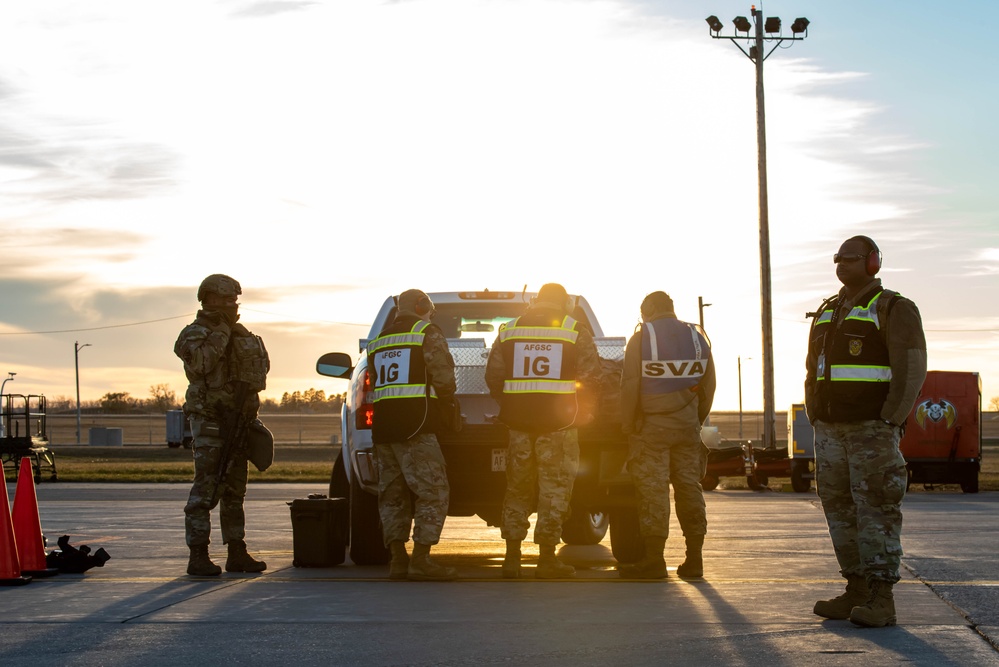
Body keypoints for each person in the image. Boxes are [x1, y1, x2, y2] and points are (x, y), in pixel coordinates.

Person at [805, 236, 927, 627]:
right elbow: (813, 367)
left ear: (873, 262)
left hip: (871, 429)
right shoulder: (828, 310)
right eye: (837, 258)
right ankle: (856, 589)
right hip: (830, 430)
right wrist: (814, 412)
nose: (842, 264)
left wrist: (890, 419)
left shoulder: (893, 307)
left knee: (876, 507)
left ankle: (881, 598)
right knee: (839, 509)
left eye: (851, 258)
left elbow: (911, 368)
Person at [485, 283, 603, 579]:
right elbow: (591, 377)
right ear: (565, 304)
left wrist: (511, 404)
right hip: (559, 427)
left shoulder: (509, 330)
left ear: (536, 301)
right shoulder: (574, 330)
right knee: (554, 491)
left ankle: (511, 559)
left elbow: (493, 376)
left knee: (517, 490)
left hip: (518, 426)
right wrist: (582, 411)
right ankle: (547, 559)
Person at [175, 274, 270, 576]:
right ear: (210, 299)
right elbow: (202, 363)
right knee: (206, 488)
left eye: (234, 300)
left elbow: (259, 371)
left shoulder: (241, 334)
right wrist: (221, 331)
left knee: (235, 491)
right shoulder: (195, 333)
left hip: (239, 421)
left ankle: (236, 551)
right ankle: (198, 554)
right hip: (211, 420)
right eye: (227, 299)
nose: (232, 304)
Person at [617, 291, 715, 580]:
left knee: (654, 492)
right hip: (687, 428)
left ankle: (654, 560)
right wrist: (695, 419)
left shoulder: (641, 338)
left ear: (648, 310)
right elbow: (709, 385)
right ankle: (694, 559)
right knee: (689, 488)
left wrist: (628, 424)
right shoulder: (698, 337)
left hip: (651, 431)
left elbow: (630, 385)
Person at [369, 289, 459, 581]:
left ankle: (398, 560)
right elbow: (443, 377)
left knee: (392, 496)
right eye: (429, 307)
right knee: (434, 492)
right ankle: (421, 559)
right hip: (416, 427)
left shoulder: (377, 341)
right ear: (421, 306)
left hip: (384, 429)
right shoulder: (426, 332)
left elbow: (375, 383)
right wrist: (448, 404)